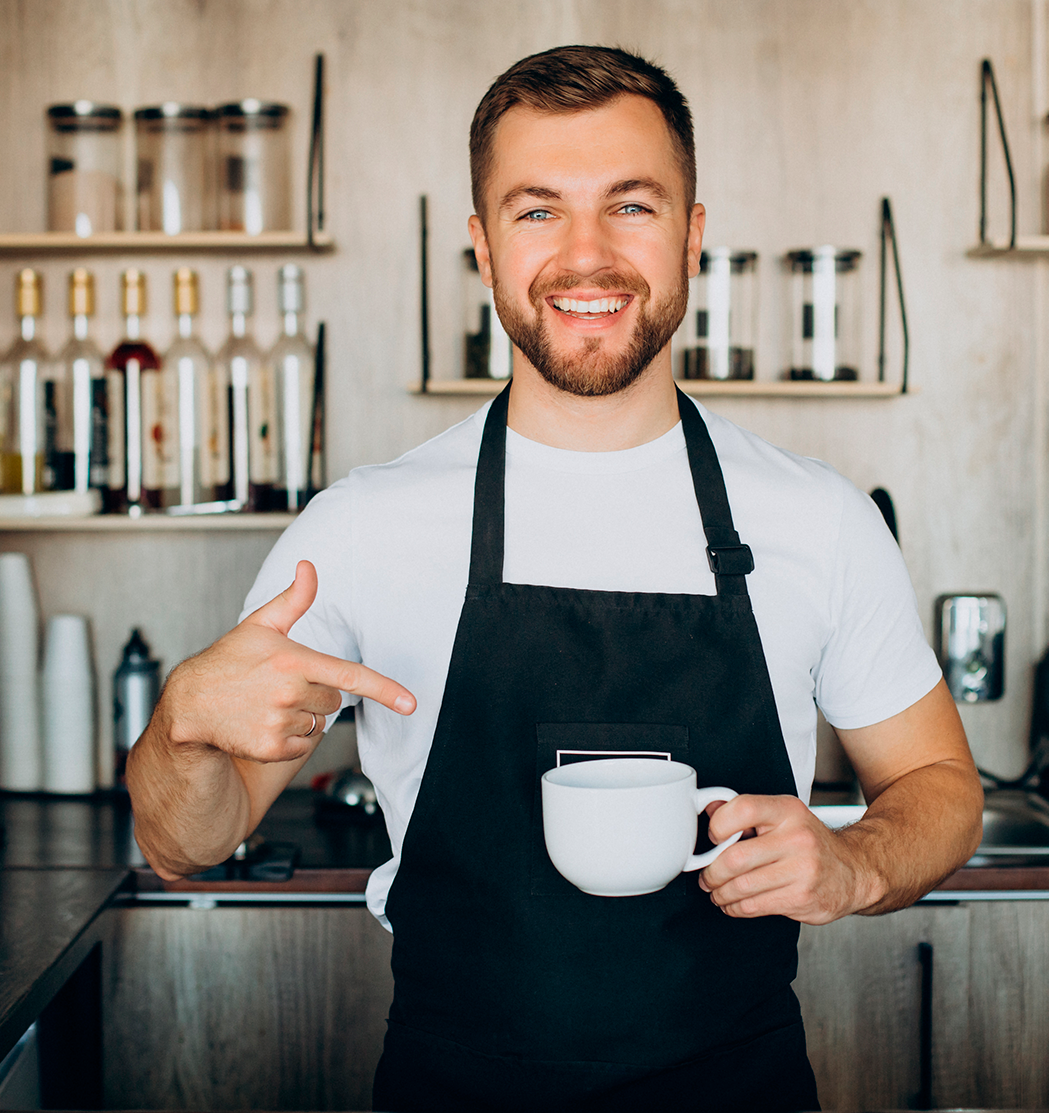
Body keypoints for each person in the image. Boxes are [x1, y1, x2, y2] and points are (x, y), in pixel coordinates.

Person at [128, 44, 982, 1112]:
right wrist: (182, 731)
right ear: (482, 250)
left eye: (631, 205)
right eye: (538, 212)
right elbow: (184, 841)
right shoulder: (359, 530)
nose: (588, 256)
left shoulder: (818, 520)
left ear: (693, 236)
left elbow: (942, 791)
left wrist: (854, 865)